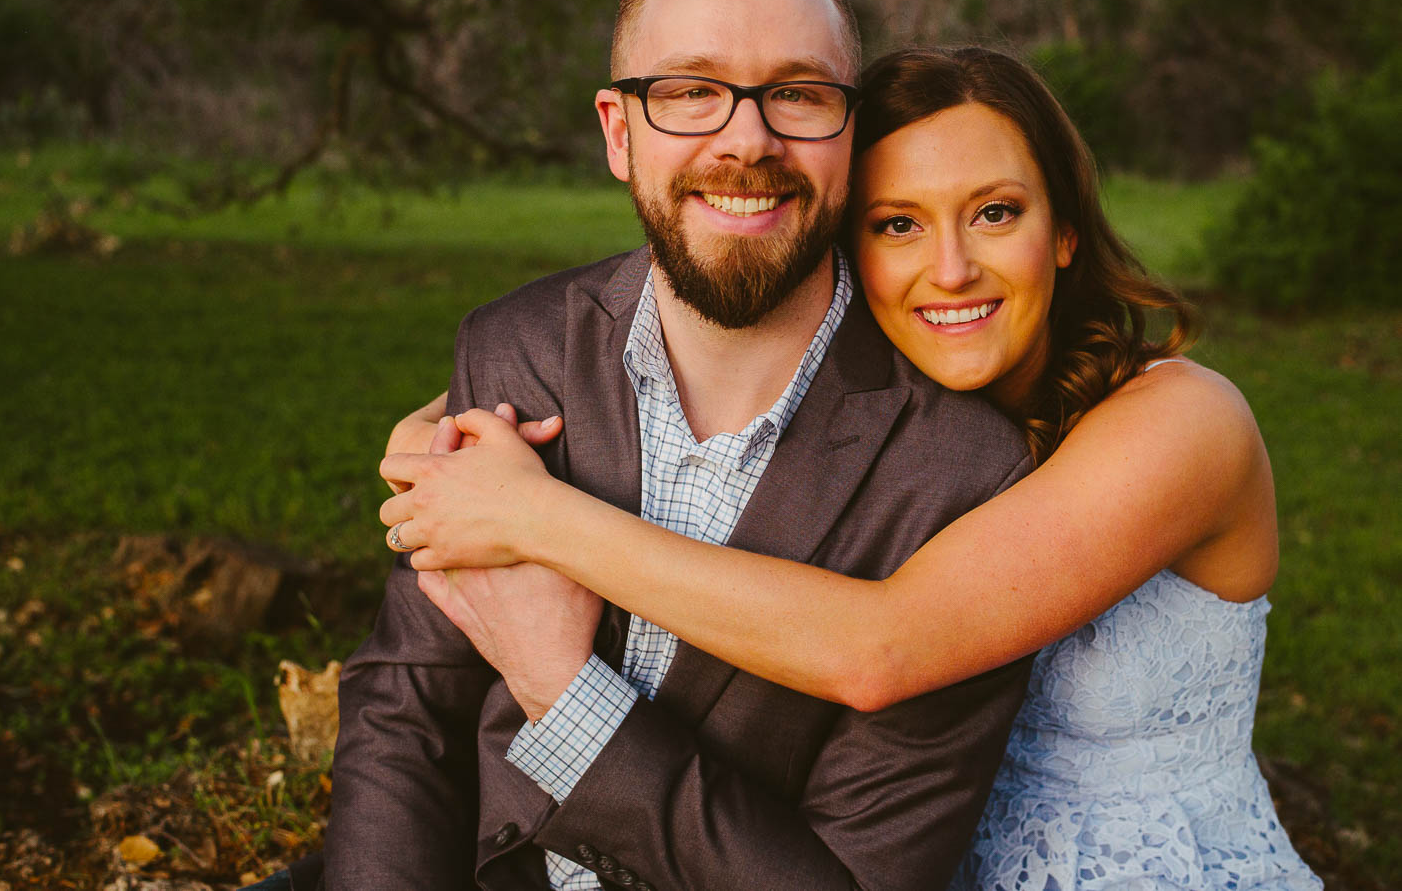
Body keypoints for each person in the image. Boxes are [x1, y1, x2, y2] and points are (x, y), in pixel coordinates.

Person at [380, 46, 1323, 890]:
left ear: (1066, 230)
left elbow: (880, 651)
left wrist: (534, 518)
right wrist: (446, 450)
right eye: (897, 225)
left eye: (995, 213)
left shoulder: (1183, 421)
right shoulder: (904, 426)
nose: (950, 270)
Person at [315, 0, 1042, 891]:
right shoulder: (516, 348)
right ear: (620, 132)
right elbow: (408, 709)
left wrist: (564, 694)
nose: (747, 138)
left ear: (850, 129)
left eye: (796, 92)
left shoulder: (965, 476)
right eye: (691, 91)